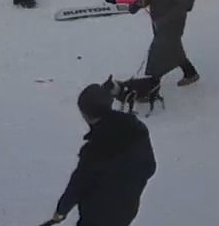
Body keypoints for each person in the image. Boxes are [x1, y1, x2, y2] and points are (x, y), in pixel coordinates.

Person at [46, 84, 156, 226]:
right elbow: (150, 167)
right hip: (127, 209)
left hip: (97, 215)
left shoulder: (95, 150)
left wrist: (61, 210)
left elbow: (78, 184)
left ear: (85, 114)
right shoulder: (136, 129)